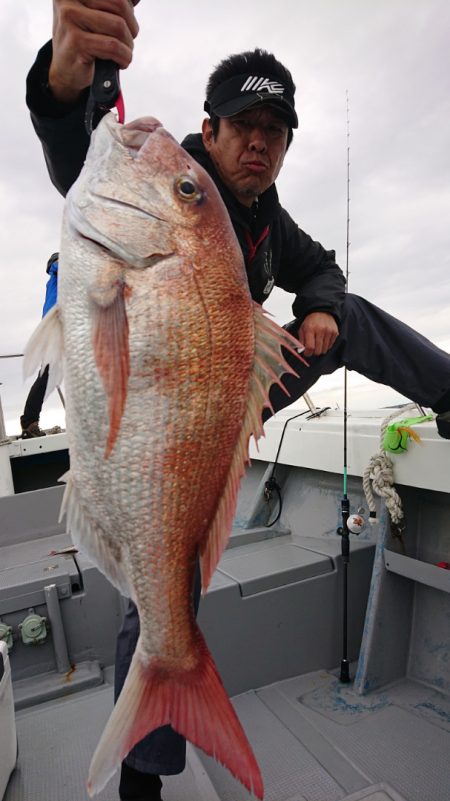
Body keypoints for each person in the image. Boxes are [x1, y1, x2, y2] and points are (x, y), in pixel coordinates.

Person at [25, 3, 450, 799]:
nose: (259, 143)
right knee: (157, 592)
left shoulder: (266, 216)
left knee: (348, 316)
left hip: (219, 400)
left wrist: (320, 301)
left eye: (276, 131)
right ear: (209, 131)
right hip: (155, 417)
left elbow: (319, 263)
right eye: (243, 124)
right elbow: (72, 147)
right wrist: (64, 74)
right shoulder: (163, 178)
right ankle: (143, 783)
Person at [20, 252, 59, 438]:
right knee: (46, 376)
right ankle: (29, 422)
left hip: (63, 330)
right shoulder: (57, 272)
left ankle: (29, 420)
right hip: (53, 329)